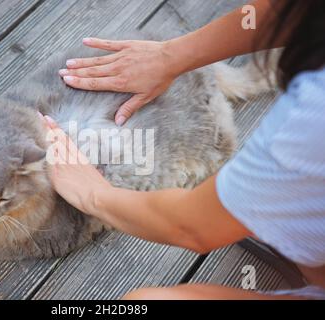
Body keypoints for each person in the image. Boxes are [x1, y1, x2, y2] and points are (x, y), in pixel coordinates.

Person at [44, 0, 325, 299]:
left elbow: (192, 227)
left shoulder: (309, 118)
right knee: (296, 238)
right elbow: (292, 9)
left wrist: (94, 194)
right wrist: (171, 56)